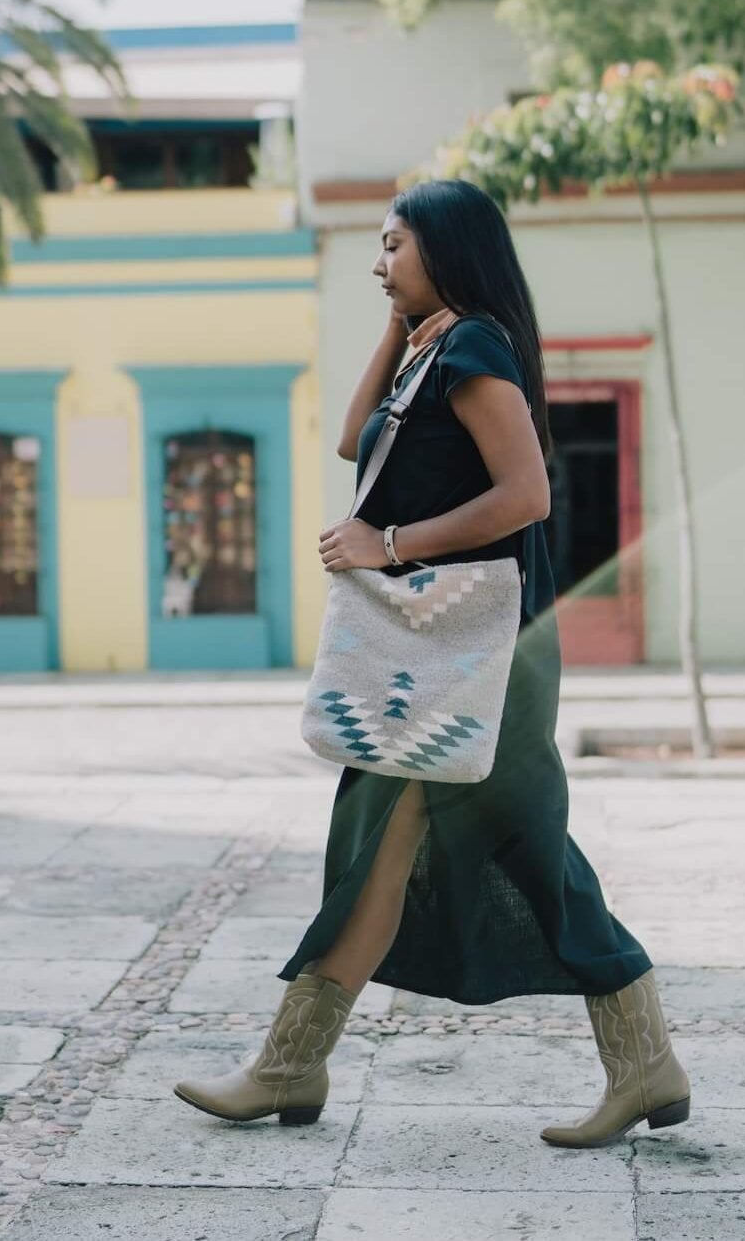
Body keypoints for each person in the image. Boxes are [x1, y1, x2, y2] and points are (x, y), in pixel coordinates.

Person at [173, 178, 690, 1146]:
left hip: (488, 653)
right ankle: (637, 1059)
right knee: (436, 842)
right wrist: (400, 318)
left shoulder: (478, 344)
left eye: (394, 245)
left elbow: (528, 490)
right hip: (441, 657)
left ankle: (292, 1063)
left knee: (482, 843)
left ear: (446, 247)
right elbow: (349, 439)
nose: (379, 260)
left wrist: (394, 542)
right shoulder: (435, 349)